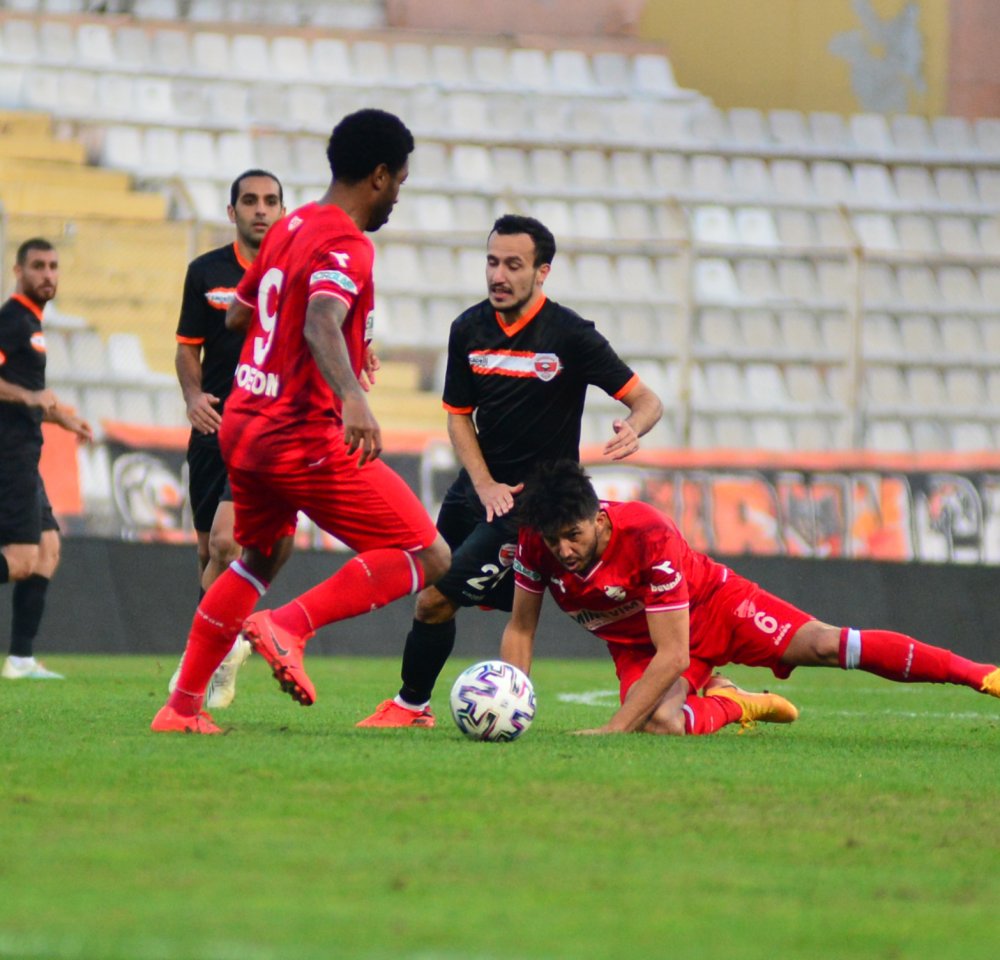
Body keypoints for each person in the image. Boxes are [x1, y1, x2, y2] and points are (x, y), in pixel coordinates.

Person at [151, 108, 451, 734]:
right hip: (298, 432)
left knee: (261, 555)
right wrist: (353, 396)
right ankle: (289, 626)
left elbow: (238, 316)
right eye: (399, 181)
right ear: (379, 176)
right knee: (428, 554)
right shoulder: (348, 242)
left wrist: (328, 342)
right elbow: (319, 319)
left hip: (244, 422)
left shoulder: (290, 226)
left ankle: (180, 709)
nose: (398, 194)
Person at [357, 214, 664, 728]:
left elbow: (647, 400)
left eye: (514, 265)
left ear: (543, 272)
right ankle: (426, 692)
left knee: (435, 600)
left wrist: (634, 427)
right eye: (492, 262)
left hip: (532, 505)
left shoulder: (570, 335)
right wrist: (482, 483)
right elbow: (458, 415)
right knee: (434, 592)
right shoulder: (468, 329)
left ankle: (410, 706)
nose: (498, 276)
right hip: (476, 490)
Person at [500, 459, 1000, 736]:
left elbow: (675, 653)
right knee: (660, 722)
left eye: (573, 535)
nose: (564, 550)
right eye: (553, 540)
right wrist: (510, 702)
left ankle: (980, 674)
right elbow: (521, 628)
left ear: (598, 518)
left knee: (827, 644)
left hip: (716, 608)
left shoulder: (647, 533)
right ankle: (733, 704)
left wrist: (613, 730)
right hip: (641, 645)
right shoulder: (535, 542)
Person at [168, 168, 285, 709]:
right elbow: (187, 346)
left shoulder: (296, 271)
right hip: (214, 425)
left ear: (282, 210)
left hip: (266, 427)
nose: (261, 209)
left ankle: (209, 658)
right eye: (251, 200)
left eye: (271, 201)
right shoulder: (205, 272)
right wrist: (193, 396)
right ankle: (218, 648)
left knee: (224, 543)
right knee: (205, 552)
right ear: (232, 211)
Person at [0, 238, 92, 680]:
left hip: (25, 453)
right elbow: (23, 393)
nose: (48, 274)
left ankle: (20, 660)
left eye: (54, 266)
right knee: (21, 560)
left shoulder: (32, 324)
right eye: (38, 266)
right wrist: (31, 397)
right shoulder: (12, 319)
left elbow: (29, 394)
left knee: (48, 549)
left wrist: (65, 419)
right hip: (8, 454)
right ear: (18, 271)